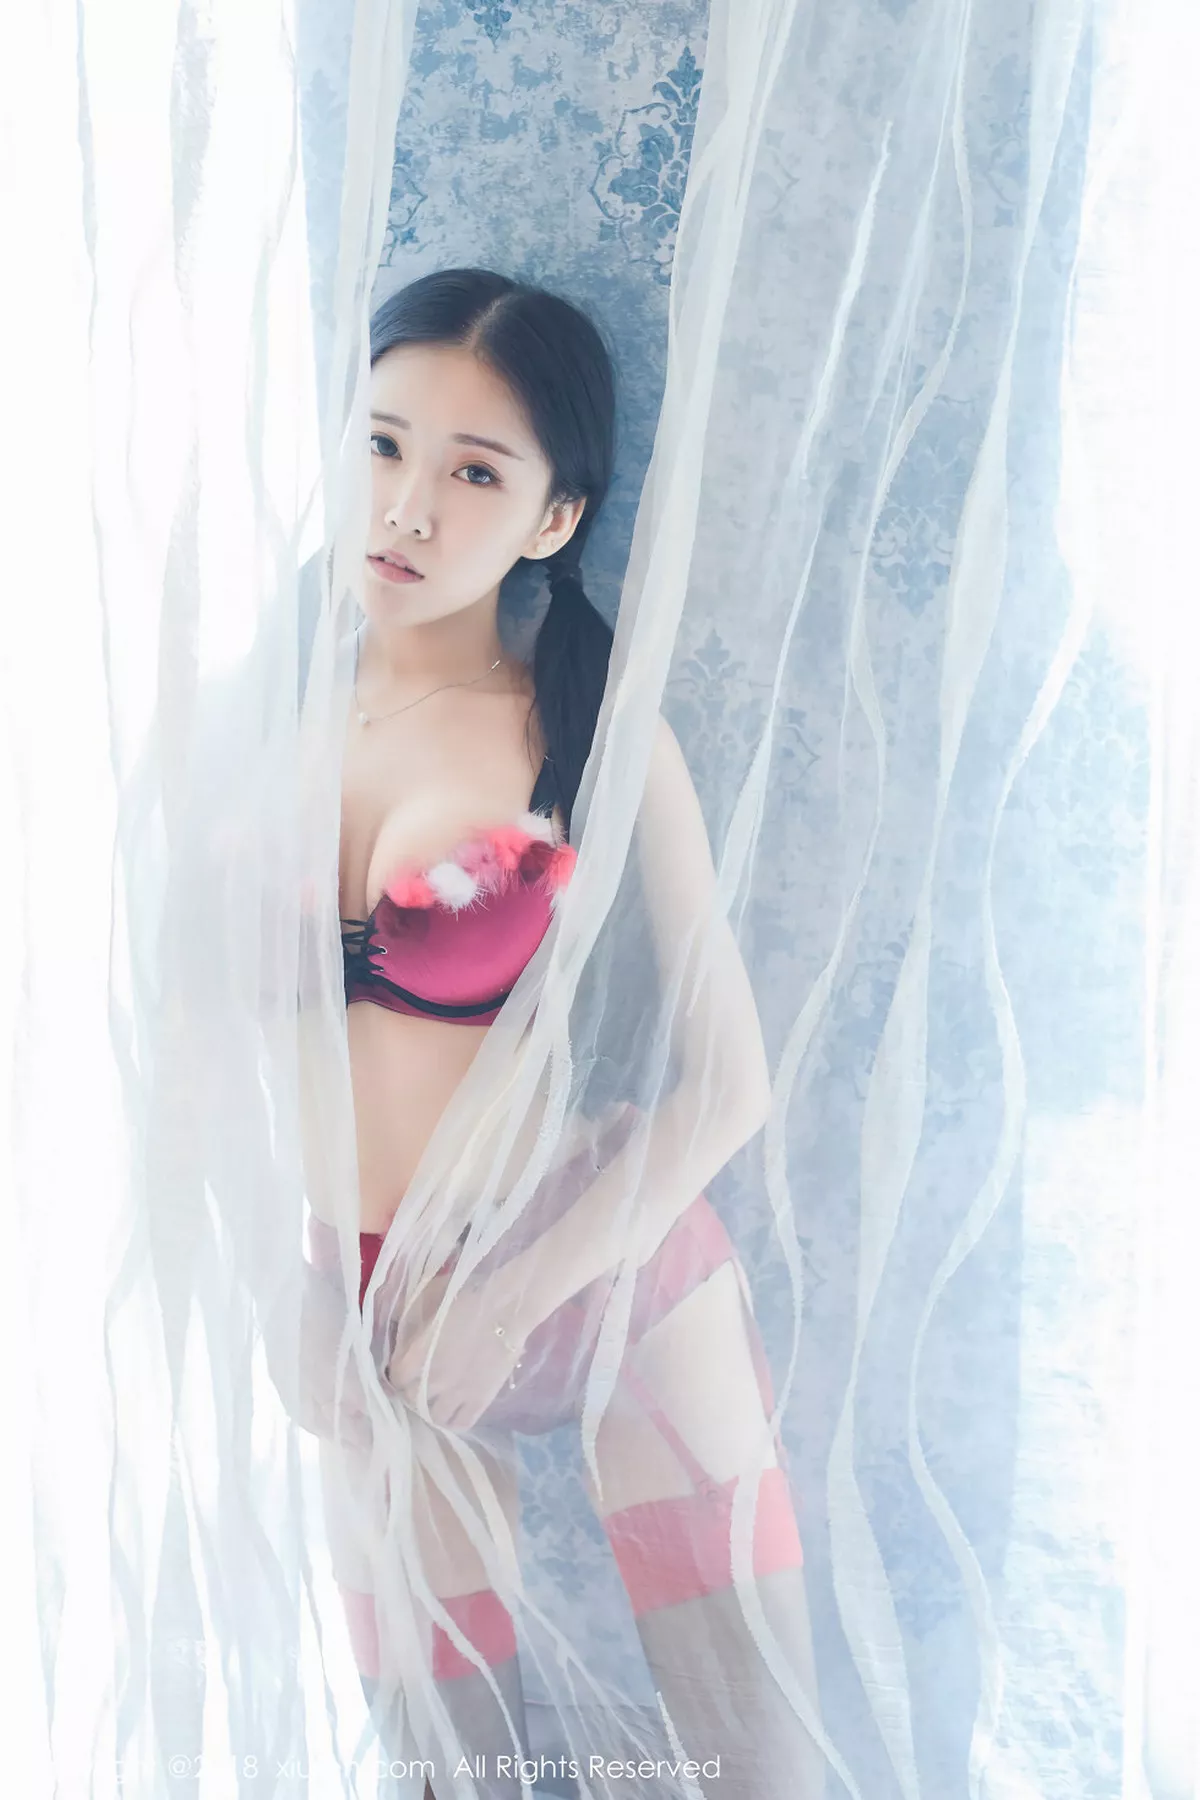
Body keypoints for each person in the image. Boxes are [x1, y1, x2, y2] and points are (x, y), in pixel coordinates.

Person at [300, 267, 823, 1798]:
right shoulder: (248, 732)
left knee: (754, 1760)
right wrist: (275, 1283)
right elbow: (183, 1070)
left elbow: (729, 1084)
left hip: (594, 1264)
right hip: (367, 1305)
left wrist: (520, 1292)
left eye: (475, 473)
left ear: (554, 519)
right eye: (383, 444)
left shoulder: (591, 730)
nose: (408, 507)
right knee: (444, 1770)